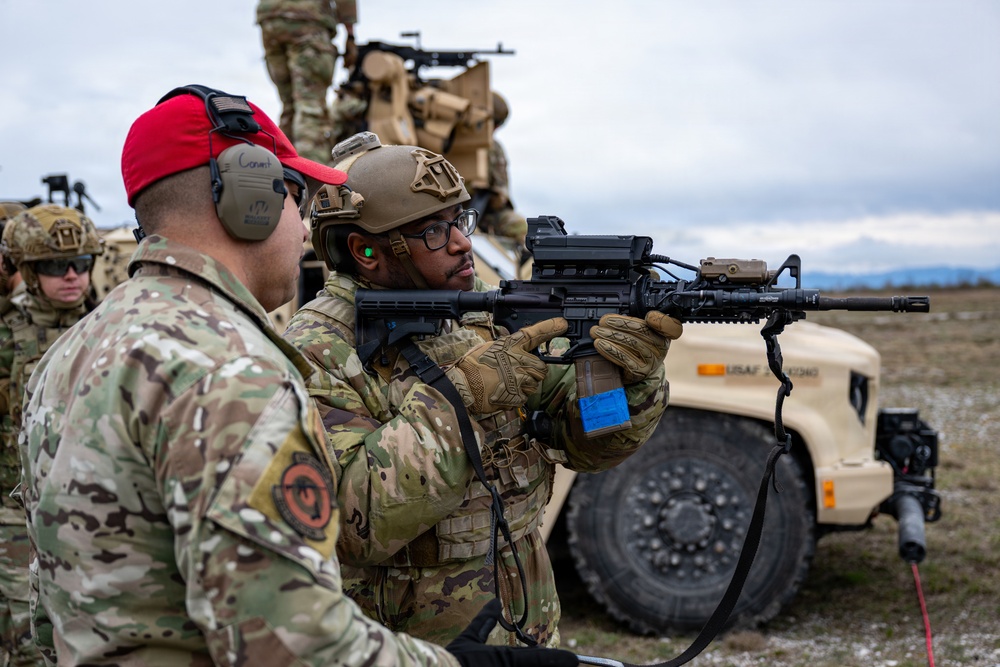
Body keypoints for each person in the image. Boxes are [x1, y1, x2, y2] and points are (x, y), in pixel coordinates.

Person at [18, 85, 577, 667]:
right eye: (295, 197)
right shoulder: (230, 369)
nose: (308, 228)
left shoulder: (78, 348)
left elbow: (46, 613)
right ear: (249, 197)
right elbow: (290, 642)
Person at [281, 131, 682, 646]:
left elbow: (589, 444)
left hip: (526, 629)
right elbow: (352, 523)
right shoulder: (316, 350)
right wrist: (460, 399)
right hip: (411, 648)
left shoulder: (475, 318)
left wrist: (634, 382)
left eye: (459, 221)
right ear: (365, 251)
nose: (461, 242)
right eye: (432, 232)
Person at [0, 202, 102, 667]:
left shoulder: (110, 328)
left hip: (96, 512)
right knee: (24, 639)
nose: (71, 275)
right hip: (13, 514)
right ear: (25, 268)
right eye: (53, 266)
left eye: (81, 264)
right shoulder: (6, 335)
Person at [257, 0, 358, 164]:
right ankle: (312, 180)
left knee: (289, 105)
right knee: (310, 106)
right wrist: (350, 33)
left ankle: (283, 171)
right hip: (308, 18)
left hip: (270, 19)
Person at [475, 92, 528, 245]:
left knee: (520, 228)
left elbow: (501, 196)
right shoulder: (447, 143)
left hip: (484, 213)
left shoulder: (495, 149)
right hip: (450, 212)